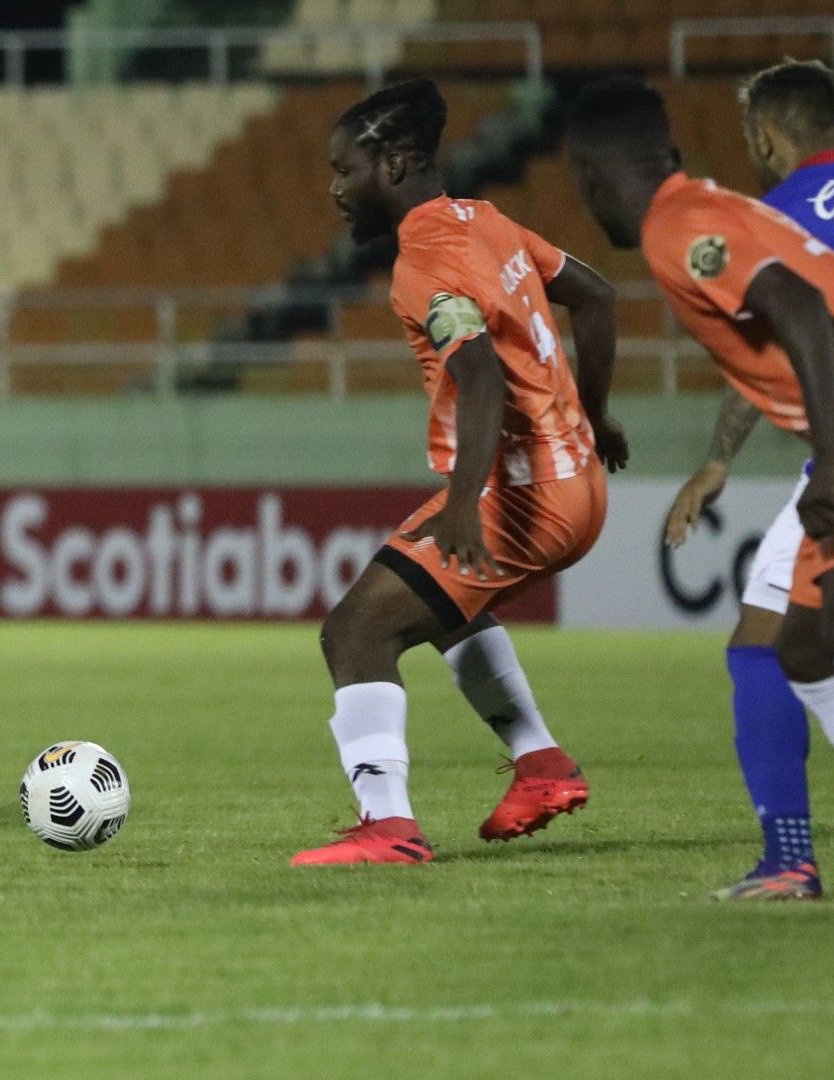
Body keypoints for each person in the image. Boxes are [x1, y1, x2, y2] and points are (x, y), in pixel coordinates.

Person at [567, 76, 834, 910]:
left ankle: (790, 858)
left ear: (592, 178)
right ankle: (796, 859)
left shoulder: (688, 227)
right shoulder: (726, 209)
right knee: (807, 649)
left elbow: (802, 310)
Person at [292, 79, 628, 867]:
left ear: (399, 165)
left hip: (522, 495)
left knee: (356, 631)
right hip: (580, 483)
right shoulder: (489, 222)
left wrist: (467, 502)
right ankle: (541, 765)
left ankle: (388, 826)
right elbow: (598, 297)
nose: (336, 189)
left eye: (347, 170)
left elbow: (481, 377)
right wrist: (600, 414)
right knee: (454, 609)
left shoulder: (425, 262)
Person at [661, 60, 834, 900]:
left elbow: (776, 343)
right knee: (806, 642)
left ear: (765, 134)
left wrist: (719, 459)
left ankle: (789, 857)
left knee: (762, 646)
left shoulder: (778, 217)